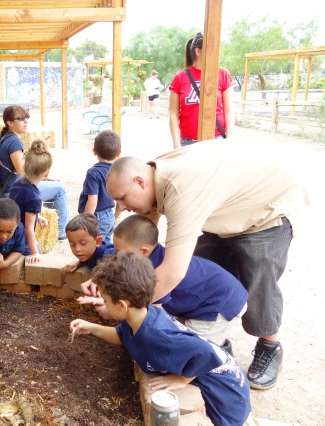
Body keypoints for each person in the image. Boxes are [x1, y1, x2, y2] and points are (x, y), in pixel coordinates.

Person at [105, 143, 310, 390]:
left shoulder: (183, 192)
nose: (121, 208)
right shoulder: (154, 174)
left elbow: (172, 272)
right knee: (204, 275)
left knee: (260, 278)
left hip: (264, 208)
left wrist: (126, 307)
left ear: (139, 182)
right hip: (222, 207)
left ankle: (270, 345)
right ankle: (217, 339)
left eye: (122, 198)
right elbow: (143, 236)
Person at [70, 252, 251, 426]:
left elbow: (207, 353)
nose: (103, 302)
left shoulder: (159, 338)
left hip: (225, 398)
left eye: (105, 299)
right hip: (219, 384)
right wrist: (92, 328)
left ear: (122, 305)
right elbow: (123, 336)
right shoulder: (139, 316)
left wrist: (180, 380)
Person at [113, 214, 248, 354]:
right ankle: (221, 346)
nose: (117, 257)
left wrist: (118, 311)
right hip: (207, 298)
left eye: (119, 252)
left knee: (193, 351)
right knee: (180, 335)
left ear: (144, 251)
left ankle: (219, 366)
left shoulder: (157, 272)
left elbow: (153, 315)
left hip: (219, 305)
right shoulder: (149, 258)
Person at [0, 105, 69, 240]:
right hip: (14, 190)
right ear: (10, 123)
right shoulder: (14, 141)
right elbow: (23, 173)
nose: (25, 121)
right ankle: (62, 233)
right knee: (60, 189)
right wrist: (43, 171)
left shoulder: (5, 138)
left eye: (26, 118)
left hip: (11, 188)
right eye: (21, 118)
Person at [168, 32, 234, 148]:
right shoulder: (180, 78)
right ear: (198, 51)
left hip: (217, 140)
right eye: (211, 49)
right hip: (188, 142)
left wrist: (229, 140)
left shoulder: (223, 74)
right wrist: (176, 144)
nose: (215, 53)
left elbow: (229, 111)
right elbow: (173, 113)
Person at [9, 139, 51, 263]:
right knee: (41, 260)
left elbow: (20, 206)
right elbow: (28, 228)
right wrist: (35, 252)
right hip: (24, 241)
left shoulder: (18, 181)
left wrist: (38, 216)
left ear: (25, 166)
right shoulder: (34, 197)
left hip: (13, 234)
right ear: (46, 173)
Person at [78, 130, 121, 244]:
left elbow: (92, 199)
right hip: (110, 215)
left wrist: (87, 222)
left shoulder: (93, 172)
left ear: (94, 151)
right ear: (119, 153)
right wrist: (114, 217)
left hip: (97, 217)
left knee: (93, 247)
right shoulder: (117, 171)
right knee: (105, 247)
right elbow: (120, 199)